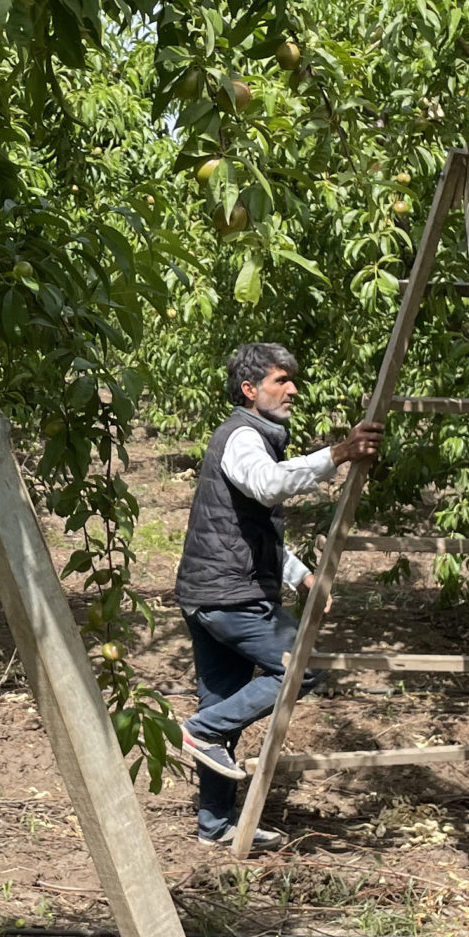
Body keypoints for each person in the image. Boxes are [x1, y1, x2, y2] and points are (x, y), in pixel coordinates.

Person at [170, 342, 381, 848]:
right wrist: (338, 454)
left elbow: (249, 529)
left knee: (223, 701)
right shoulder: (243, 436)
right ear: (250, 390)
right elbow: (267, 487)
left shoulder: (253, 436)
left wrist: (300, 576)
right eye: (279, 381)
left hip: (210, 592)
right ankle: (201, 729)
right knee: (302, 667)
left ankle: (214, 825)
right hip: (230, 596)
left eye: (291, 380)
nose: (291, 389)